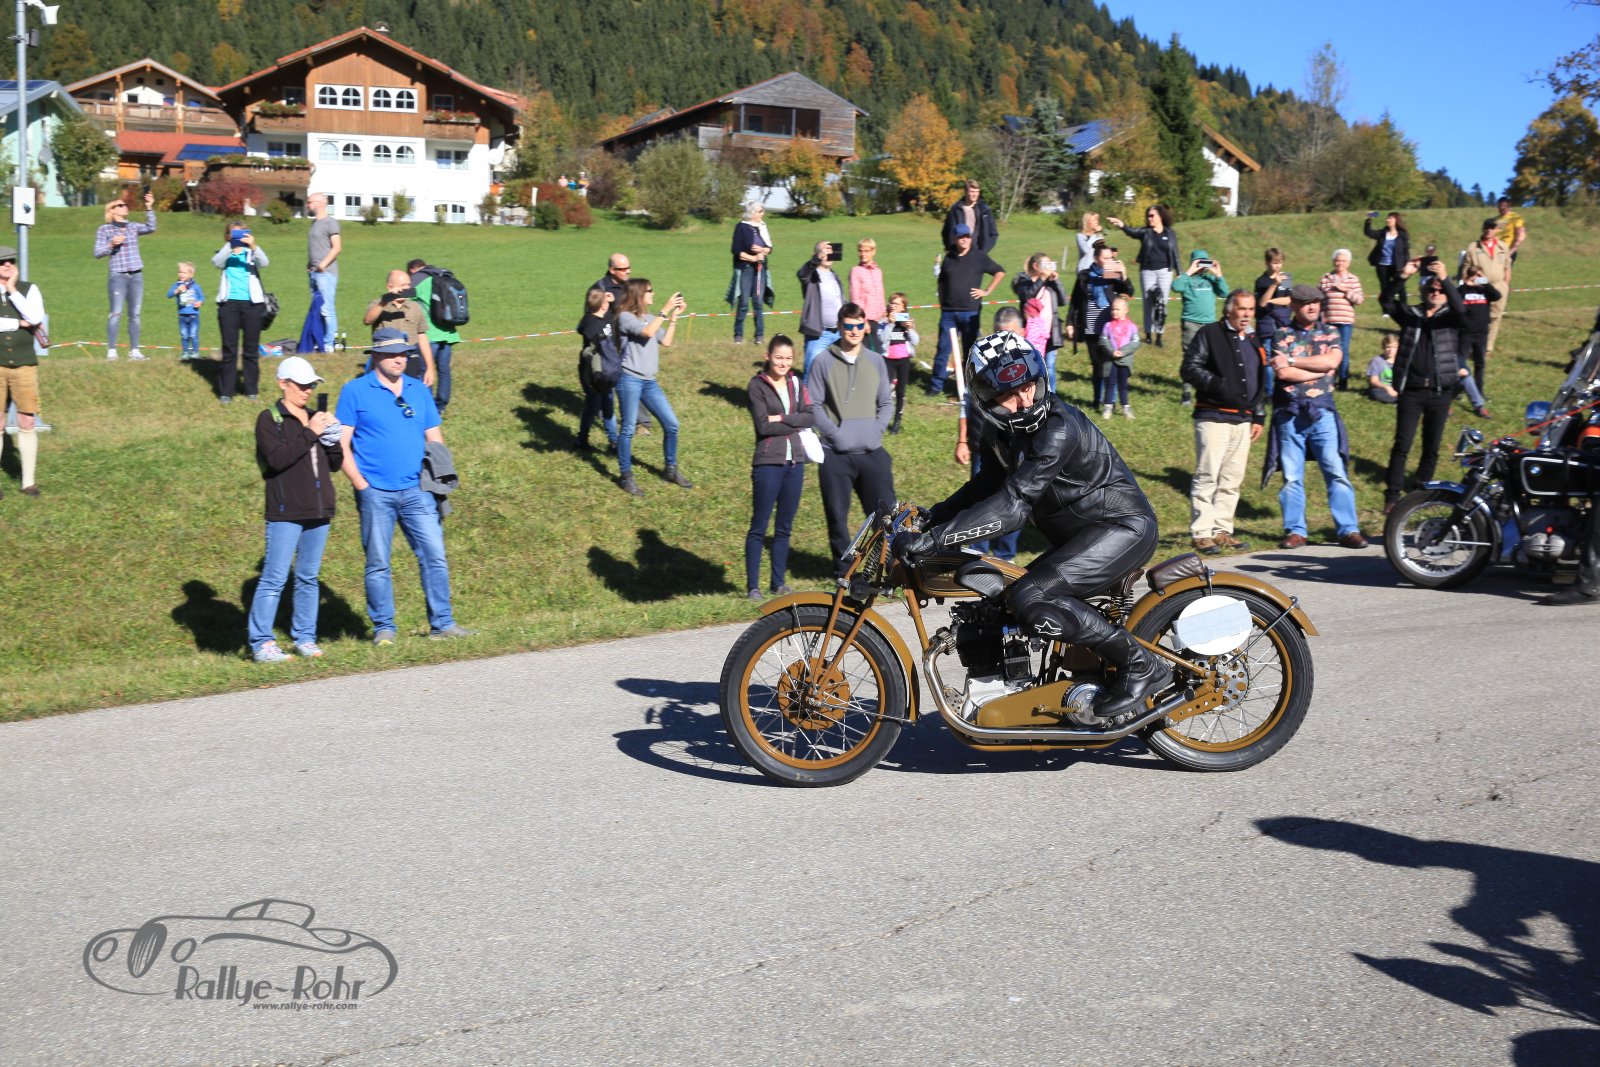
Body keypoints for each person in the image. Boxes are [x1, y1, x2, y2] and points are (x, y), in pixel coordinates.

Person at [892, 333, 1163, 725]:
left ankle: (1140, 665)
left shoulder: (1058, 428)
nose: (1024, 401)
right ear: (987, 398)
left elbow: (1012, 507)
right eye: (1009, 394)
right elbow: (985, 487)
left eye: (1028, 386)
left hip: (1122, 529)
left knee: (1031, 598)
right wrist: (931, 518)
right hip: (1082, 537)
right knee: (998, 599)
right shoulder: (1000, 432)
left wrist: (935, 540)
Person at [336, 325, 471, 644]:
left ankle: (443, 624)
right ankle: (384, 628)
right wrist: (360, 484)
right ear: (376, 356)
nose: (400, 359)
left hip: (418, 491)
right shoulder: (355, 391)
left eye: (404, 354)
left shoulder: (418, 390)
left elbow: (434, 439)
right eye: (393, 354)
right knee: (378, 563)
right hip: (375, 492)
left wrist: (439, 481)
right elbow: (340, 444)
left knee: (434, 555)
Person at [247, 356, 343, 662]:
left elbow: (335, 464)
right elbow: (277, 459)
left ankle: (305, 638)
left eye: (311, 385)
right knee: (274, 578)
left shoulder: (316, 417)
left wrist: (333, 440)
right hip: (285, 511)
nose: (307, 391)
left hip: (319, 510)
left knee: (308, 577)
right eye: (301, 385)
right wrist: (311, 433)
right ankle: (262, 643)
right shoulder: (269, 419)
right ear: (283, 384)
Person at [1261, 285, 1366, 550]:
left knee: (1335, 471)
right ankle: (1296, 531)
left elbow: (1333, 362)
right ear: (1294, 305)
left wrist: (1293, 361)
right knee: (1292, 476)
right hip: (1290, 413)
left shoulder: (1330, 331)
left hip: (1322, 412)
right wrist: (1318, 368)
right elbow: (1283, 374)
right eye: (1306, 302)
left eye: (1316, 302)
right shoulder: (1281, 334)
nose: (1312, 307)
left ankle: (1348, 530)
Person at [806, 302, 896, 575]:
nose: (854, 331)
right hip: (835, 455)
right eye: (848, 326)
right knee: (837, 517)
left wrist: (876, 430)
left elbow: (886, 402)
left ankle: (884, 567)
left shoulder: (876, 361)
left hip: (872, 452)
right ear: (840, 327)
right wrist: (835, 435)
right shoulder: (823, 361)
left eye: (859, 325)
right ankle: (844, 572)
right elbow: (813, 405)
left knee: (886, 517)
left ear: (865, 326)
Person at [1180, 289, 1266, 555]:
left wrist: (1258, 415)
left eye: (1251, 309)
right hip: (1213, 416)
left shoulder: (1253, 339)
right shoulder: (1210, 333)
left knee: (1232, 478)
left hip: (1243, 419)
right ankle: (1202, 533)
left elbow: (1259, 379)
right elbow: (1189, 368)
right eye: (1242, 309)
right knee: (1207, 475)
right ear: (1229, 310)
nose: (1246, 314)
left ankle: (1222, 530)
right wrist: (1219, 385)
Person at [1382, 261, 1467, 512]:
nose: (1436, 293)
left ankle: (1419, 493)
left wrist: (1445, 278)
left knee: (1431, 447)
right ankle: (1392, 495)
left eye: (1440, 290)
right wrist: (1402, 275)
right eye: (1432, 289)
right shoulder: (1412, 315)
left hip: (1440, 392)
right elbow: (1386, 300)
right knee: (1402, 444)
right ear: (1424, 291)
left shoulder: (1450, 317)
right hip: (1412, 391)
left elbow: (1461, 309)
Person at [745, 335, 814, 599]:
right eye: (778, 358)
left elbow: (810, 416)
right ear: (768, 357)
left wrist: (782, 418)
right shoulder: (757, 385)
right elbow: (763, 425)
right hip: (768, 463)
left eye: (788, 358)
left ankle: (778, 582)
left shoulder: (797, 383)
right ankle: (753, 586)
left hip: (795, 463)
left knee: (784, 527)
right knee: (759, 526)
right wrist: (794, 421)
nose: (783, 363)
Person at [615, 278, 693, 497]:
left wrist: (674, 318)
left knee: (672, 424)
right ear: (639, 294)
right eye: (650, 291)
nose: (653, 294)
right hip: (629, 379)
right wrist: (665, 310)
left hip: (649, 382)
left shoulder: (650, 318)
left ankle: (670, 470)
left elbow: (665, 341)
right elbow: (647, 333)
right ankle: (626, 476)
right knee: (628, 428)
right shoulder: (625, 317)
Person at [928, 225, 1005, 396]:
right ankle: (935, 386)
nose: (964, 239)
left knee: (969, 352)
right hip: (948, 314)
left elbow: (999, 272)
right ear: (955, 239)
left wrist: (987, 291)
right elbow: (942, 282)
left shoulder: (979, 256)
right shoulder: (949, 258)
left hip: (970, 313)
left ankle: (968, 387)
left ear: (970, 238)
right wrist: (943, 305)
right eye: (960, 236)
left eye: (967, 236)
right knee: (942, 350)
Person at [0, 246, 45, 498]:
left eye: (10, 260)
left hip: (25, 364)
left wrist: (12, 289)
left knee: (27, 419)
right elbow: (26, 320)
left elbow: (36, 317)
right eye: (2, 262)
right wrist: (18, 323)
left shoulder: (29, 289)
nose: (7, 265)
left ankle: (28, 482)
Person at [211, 219, 271, 405]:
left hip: (252, 305)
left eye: (241, 233)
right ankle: (226, 392)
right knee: (229, 349)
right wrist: (230, 246)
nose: (237, 237)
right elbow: (216, 262)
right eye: (233, 233)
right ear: (227, 236)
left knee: (251, 349)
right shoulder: (225, 253)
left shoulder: (251, 253)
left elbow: (265, 262)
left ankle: (251, 389)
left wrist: (253, 246)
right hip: (228, 305)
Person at [1066, 243, 1133, 408]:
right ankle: (1097, 400)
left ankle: (1111, 401)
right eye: (1106, 258)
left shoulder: (1113, 274)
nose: (1110, 260)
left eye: (1111, 257)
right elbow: (1075, 301)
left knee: (1111, 364)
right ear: (1096, 258)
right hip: (1091, 328)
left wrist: (1123, 274)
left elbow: (1129, 291)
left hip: (1111, 329)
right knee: (1097, 365)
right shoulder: (1084, 276)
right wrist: (1070, 323)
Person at [92, 191, 156, 361]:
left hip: (136, 275)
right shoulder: (104, 229)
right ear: (112, 210)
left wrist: (149, 208)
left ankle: (134, 351)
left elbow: (151, 227)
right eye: (120, 205)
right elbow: (97, 252)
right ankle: (112, 351)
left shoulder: (132, 227)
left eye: (125, 205)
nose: (125, 207)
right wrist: (111, 244)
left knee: (135, 315)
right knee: (116, 313)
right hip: (118, 277)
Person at [1107, 205, 1179, 346]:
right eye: (1148, 216)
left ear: (1160, 216)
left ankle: (1159, 336)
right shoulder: (1146, 232)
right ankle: (1148, 335)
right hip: (1147, 271)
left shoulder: (1170, 233)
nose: (1149, 218)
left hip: (1165, 272)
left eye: (1152, 215)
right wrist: (1121, 225)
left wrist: (1179, 272)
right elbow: (1132, 232)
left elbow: (1175, 253)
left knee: (1162, 304)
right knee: (1148, 303)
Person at [1171, 250, 1228, 404]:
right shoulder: (1187, 279)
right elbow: (1176, 287)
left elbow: (1224, 292)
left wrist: (1218, 274)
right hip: (1191, 322)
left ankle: (1206, 388)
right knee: (1190, 357)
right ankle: (1186, 392)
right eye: (1199, 262)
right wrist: (1190, 271)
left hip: (1209, 323)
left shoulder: (1211, 279)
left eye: (1205, 262)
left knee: (1209, 356)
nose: (1202, 265)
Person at [405, 258, 460, 414]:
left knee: (425, 371)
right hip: (448, 333)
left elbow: (404, 300)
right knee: (444, 370)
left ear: (412, 270)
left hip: (429, 334)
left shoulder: (418, 279)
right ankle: (441, 406)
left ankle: (427, 408)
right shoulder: (443, 276)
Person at [363, 269, 436, 385]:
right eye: (402, 285)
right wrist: (385, 301)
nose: (407, 288)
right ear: (389, 287)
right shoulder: (378, 304)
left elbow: (422, 336)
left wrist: (430, 368)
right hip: (385, 360)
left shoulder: (415, 307)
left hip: (410, 359)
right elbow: (368, 320)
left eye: (408, 285)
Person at [1012, 253, 1067, 393]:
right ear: (1036, 266)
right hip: (1031, 333)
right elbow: (1027, 296)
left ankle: (1051, 398)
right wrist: (1041, 278)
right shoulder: (1023, 281)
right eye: (1045, 264)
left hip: (1050, 332)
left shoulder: (1050, 283)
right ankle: (1031, 397)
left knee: (1049, 366)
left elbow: (1063, 300)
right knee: (1032, 367)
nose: (1049, 267)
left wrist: (1056, 281)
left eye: (1050, 264)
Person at [1459, 218, 1512, 356]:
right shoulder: (1473, 247)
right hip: (1480, 286)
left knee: (1496, 316)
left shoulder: (1502, 247)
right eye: (1487, 227)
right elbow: (1465, 269)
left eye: (1492, 228)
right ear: (1483, 229)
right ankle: (1474, 346)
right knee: (1478, 317)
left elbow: (1507, 267)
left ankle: (1487, 348)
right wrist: (1468, 285)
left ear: (1496, 230)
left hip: (1499, 285)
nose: (1489, 230)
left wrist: (1505, 285)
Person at [576, 286, 619, 453]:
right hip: (592, 372)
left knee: (608, 405)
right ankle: (582, 440)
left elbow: (616, 315)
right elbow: (585, 332)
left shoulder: (606, 315)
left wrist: (611, 302)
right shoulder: (589, 322)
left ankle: (613, 441)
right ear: (602, 305)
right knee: (593, 406)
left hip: (607, 369)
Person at [1318, 249, 1366, 390]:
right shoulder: (1326, 278)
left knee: (1343, 351)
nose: (1340, 263)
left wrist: (1346, 291)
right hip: (1328, 321)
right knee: (1327, 351)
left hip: (1345, 322)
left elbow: (1359, 299)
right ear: (1333, 262)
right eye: (1337, 260)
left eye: (1343, 261)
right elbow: (1318, 298)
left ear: (1348, 263)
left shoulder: (1353, 279)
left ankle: (1343, 382)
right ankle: (1328, 381)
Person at [1456, 264, 1501, 402]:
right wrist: (1466, 283)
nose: (1477, 279)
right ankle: (1455, 390)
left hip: (1481, 332)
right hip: (1465, 332)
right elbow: (1455, 300)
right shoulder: (1462, 290)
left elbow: (1497, 296)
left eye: (1479, 276)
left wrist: (1484, 282)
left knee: (1480, 362)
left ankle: (1479, 391)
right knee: (1460, 361)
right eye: (1475, 276)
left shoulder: (1484, 290)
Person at [796, 241, 845, 364]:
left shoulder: (834, 276)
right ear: (816, 254)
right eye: (824, 250)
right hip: (819, 334)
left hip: (838, 332)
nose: (827, 253)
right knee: (813, 368)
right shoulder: (810, 275)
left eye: (830, 251)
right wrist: (816, 258)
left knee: (836, 370)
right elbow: (802, 274)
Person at [730, 204, 772, 345]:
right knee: (743, 302)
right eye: (760, 211)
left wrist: (763, 250)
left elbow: (769, 247)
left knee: (758, 302)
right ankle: (738, 335)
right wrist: (753, 258)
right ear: (752, 213)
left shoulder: (763, 227)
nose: (762, 213)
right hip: (746, 268)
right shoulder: (741, 227)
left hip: (761, 268)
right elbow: (736, 250)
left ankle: (759, 336)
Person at [876, 292, 918, 434]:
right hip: (888, 359)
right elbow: (882, 339)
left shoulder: (906, 320)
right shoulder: (883, 321)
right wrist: (889, 324)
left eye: (897, 304)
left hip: (904, 359)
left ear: (903, 307)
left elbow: (915, 341)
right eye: (892, 303)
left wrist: (910, 329)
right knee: (884, 389)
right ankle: (881, 417)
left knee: (901, 390)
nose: (893, 306)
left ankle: (897, 421)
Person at [306, 192, 342, 352]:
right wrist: (310, 265)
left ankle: (328, 345)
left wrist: (323, 265)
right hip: (314, 273)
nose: (307, 205)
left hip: (326, 273)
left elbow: (337, 247)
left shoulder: (330, 222)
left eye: (309, 202)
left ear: (319, 203)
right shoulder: (314, 223)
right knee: (317, 310)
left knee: (327, 309)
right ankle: (319, 341)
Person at [1096, 296, 1141, 420]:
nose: (1114, 312)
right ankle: (1108, 406)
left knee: (1123, 384)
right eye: (1112, 309)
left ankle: (1126, 407)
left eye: (1117, 309)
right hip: (1111, 360)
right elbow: (1103, 340)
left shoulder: (1132, 327)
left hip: (1125, 361)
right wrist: (1112, 352)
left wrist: (1123, 352)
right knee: (1110, 384)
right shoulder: (1107, 326)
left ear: (1126, 310)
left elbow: (1136, 342)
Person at [1364, 211, 1410, 310]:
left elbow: (1405, 252)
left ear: (1396, 221)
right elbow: (1369, 232)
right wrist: (1369, 219)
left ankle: (1405, 308)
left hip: (1397, 266)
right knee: (1384, 288)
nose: (1387, 220)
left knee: (1400, 287)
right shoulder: (1382, 233)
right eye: (1387, 218)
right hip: (1382, 265)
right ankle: (1387, 310)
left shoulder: (1402, 235)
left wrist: (1406, 265)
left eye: (1390, 218)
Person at [1253, 248, 1293, 358]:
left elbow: (1289, 300)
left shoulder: (1286, 278)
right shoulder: (1261, 281)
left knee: (1284, 356)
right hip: (1267, 326)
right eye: (1275, 263)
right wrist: (1274, 284)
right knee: (1268, 357)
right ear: (1267, 262)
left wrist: (1270, 301)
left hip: (1283, 323)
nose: (1278, 266)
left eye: (1280, 263)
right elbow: (1262, 304)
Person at [849, 238, 887, 352]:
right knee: (868, 354)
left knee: (880, 353)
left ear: (873, 251)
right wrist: (863, 321)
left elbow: (880, 293)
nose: (863, 254)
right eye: (860, 251)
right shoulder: (856, 271)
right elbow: (855, 298)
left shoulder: (878, 271)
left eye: (866, 251)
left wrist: (884, 313)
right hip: (865, 321)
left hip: (879, 320)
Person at [941, 179, 998, 253]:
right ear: (965, 192)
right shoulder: (955, 210)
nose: (975, 194)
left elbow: (993, 233)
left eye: (977, 191)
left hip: (977, 252)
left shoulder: (984, 210)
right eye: (972, 191)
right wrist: (951, 249)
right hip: (959, 253)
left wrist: (984, 251)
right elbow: (946, 232)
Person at [167, 261, 204, 362]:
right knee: (184, 335)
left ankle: (195, 352)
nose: (181, 274)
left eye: (184, 272)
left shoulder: (195, 286)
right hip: (182, 315)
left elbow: (201, 297)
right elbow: (169, 295)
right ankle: (185, 352)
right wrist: (177, 290)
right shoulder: (177, 285)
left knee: (193, 335)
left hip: (193, 315)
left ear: (191, 274)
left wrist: (199, 302)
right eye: (180, 272)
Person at [1494, 196, 1528, 274]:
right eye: (1499, 206)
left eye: (1503, 206)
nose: (1501, 208)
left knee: (1500, 273)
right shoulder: (1495, 220)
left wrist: (1511, 251)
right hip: (1495, 250)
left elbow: (1521, 235)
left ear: (1509, 206)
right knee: (1492, 273)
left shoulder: (1515, 217)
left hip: (1506, 251)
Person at [1366, 334, 1400, 404]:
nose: (1391, 350)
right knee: (1376, 393)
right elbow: (1373, 381)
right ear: (1384, 348)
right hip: (1382, 387)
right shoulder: (1376, 361)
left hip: (1397, 387)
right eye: (1388, 347)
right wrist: (1387, 387)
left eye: (1394, 347)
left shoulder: (1402, 361)